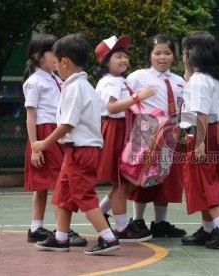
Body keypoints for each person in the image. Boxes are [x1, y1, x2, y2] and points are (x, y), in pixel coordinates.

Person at [31, 33, 120, 255]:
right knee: (63, 193)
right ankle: (61, 237)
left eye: (55, 62)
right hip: (76, 150)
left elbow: (67, 124)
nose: (55, 67)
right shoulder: (80, 85)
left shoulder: (75, 88)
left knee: (83, 195)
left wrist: (44, 143)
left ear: (64, 62)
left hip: (81, 150)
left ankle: (108, 238)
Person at [22, 33, 87, 247]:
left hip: (55, 133)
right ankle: (55, 229)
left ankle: (38, 228)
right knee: (55, 184)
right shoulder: (34, 82)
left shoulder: (56, 78)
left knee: (51, 184)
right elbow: (31, 117)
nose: (57, 57)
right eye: (53, 52)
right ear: (38, 56)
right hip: (43, 134)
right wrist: (35, 147)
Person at [120, 34, 187, 237]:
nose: (162, 57)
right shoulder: (138, 77)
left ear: (174, 56)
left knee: (164, 179)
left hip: (170, 136)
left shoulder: (179, 80)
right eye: (157, 53)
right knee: (142, 177)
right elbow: (126, 103)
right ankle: (137, 220)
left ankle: (161, 222)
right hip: (146, 134)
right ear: (149, 55)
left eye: (167, 53)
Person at [179, 31, 219, 249]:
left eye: (185, 52)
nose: (182, 56)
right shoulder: (206, 78)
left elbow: (200, 114)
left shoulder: (198, 81)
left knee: (204, 181)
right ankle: (207, 229)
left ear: (193, 55)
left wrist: (199, 143)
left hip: (202, 133)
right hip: (210, 132)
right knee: (202, 180)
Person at [94, 35, 155, 242]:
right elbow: (111, 108)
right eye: (118, 56)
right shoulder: (109, 82)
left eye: (124, 56)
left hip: (126, 128)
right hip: (116, 129)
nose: (124, 59)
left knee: (127, 179)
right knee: (121, 181)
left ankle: (103, 212)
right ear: (105, 62)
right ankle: (121, 228)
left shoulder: (119, 80)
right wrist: (138, 97)